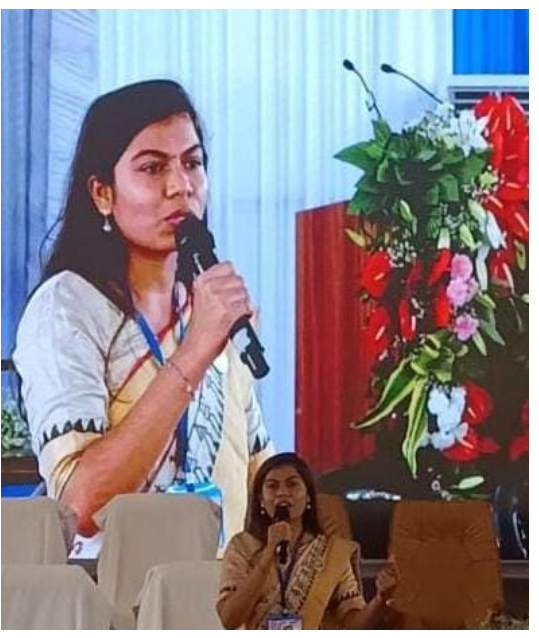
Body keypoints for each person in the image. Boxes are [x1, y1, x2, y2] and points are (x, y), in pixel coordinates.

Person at [13, 80, 274, 557]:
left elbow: (259, 471)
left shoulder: (211, 308)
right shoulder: (67, 307)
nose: (181, 186)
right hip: (110, 593)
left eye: (192, 163)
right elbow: (79, 506)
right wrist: (194, 353)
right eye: (153, 168)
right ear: (102, 193)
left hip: (222, 591)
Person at [217, 452, 399, 630]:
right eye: (272, 486)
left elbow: (352, 626)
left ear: (309, 497)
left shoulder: (331, 552)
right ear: (261, 500)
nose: (282, 493)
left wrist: (380, 598)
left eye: (292, 484)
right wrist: (267, 556)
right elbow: (229, 619)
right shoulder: (242, 546)